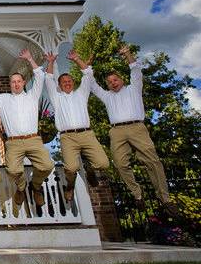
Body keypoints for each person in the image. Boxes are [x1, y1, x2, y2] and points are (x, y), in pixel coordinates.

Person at [89, 45, 178, 216]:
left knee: (153, 161)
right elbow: (92, 85)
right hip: (117, 131)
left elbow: (136, 71)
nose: (112, 83)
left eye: (115, 80)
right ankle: (137, 194)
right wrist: (88, 66)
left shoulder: (133, 89)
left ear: (121, 80)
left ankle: (165, 199)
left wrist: (127, 54)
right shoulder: (107, 96)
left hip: (137, 127)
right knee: (120, 163)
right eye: (109, 81)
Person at [0, 48, 55, 215]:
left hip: (33, 140)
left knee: (47, 165)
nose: (16, 84)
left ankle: (35, 186)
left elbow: (39, 75)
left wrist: (30, 59)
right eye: (13, 82)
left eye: (18, 81)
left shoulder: (32, 95)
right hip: (14, 142)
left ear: (23, 83)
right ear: (10, 84)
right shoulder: (3, 100)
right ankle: (21, 187)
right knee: (13, 170)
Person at [44, 50, 110, 202]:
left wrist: (77, 59)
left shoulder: (82, 93)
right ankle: (70, 186)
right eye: (64, 82)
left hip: (87, 134)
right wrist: (51, 62)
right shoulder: (57, 97)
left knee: (103, 163)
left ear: (73, 83)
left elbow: (87, 74)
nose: (67, 83)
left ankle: (89, 168)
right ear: (59, 86)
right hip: (68, 137)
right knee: (71, 168)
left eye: (69, 81)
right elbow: (48, 78)